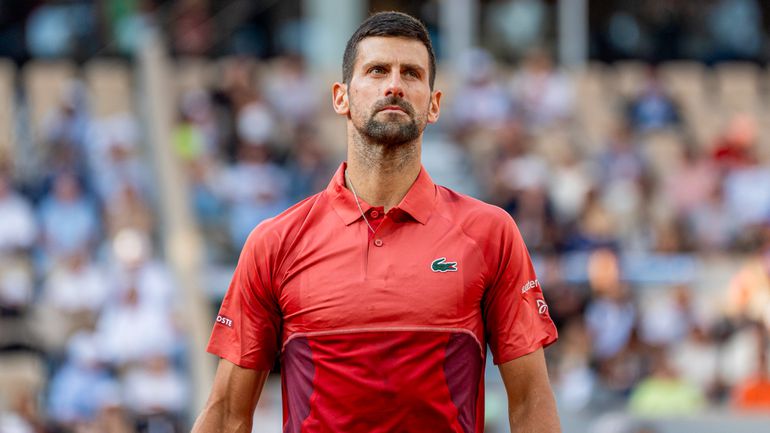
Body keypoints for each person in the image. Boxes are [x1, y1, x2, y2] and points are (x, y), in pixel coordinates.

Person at [193, 11, 559, 433]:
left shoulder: (490, 233)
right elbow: (226, 414)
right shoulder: (275, 242)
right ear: (341, 97)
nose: (394, 85)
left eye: (412, 74)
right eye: (377, 70)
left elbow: (531, 402)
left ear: (434, 104)